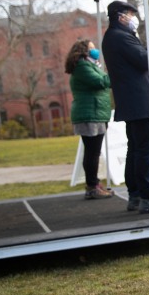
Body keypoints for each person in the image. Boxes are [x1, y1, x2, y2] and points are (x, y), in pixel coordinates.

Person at [101, 0, 149, 215]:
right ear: (120, 16)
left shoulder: (114, 37)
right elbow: (144, 60)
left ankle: (135, 193)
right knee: (144, 150)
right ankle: (147, 196)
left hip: (131, 102)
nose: (133, 18)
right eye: (130, 14)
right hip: (139, 102)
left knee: (134, 149)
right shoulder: (120, 37)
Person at [64, 39, 114, 200]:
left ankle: (94, 184)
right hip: (89, 114)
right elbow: (101, 81)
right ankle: (92, 186)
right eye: (92, 48)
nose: (95, 50)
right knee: (92, 152)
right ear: (83, 51)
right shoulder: (82, 67)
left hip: (96, 113)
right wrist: (115, 72)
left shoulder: (90, 65)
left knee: (94, 152)